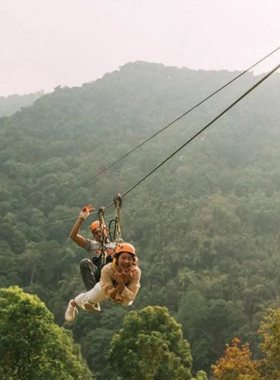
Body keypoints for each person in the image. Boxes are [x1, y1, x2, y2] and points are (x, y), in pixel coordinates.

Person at [65, 243, 141, 322]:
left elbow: (131, 296)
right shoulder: (107, 269)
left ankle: (92, 303)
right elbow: (109, 295)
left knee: (126, 302)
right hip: (107, 289)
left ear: (133, 261)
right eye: (123, 258)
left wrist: (121, 283)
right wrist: (120, 283)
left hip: (124, 295)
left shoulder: (136, 272)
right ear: (116, 259)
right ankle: (73, 303)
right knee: (91, 298)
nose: (126, 261)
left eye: (129, 259)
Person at [69, 204, 115, 292]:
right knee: (85, 262)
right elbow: (73, 236)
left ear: (107, 231)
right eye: (95, 233)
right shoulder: (92, 244)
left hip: (112, 275)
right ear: (94, 236)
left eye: (100, 231)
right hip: (99, 275)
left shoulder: (115, 246)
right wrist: (81, 218)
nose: (98, 234)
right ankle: (92, 294)